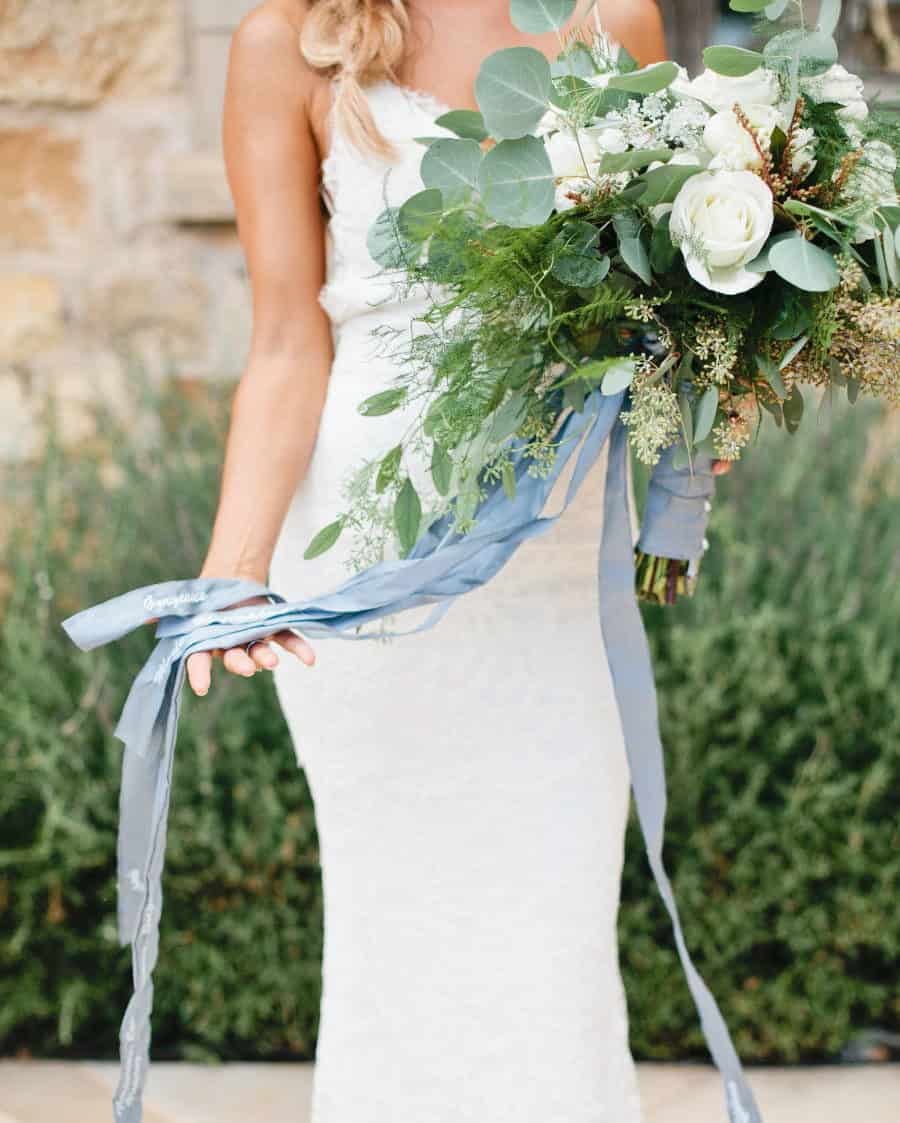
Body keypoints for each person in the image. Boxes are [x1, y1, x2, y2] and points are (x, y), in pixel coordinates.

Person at [187, 3, 694, 1120]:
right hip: (368, 557)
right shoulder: (286, 39)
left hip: (553, 564)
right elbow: (283, 338)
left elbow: (666, 300)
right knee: (393, 931)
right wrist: (235, 567)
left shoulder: (618, 19)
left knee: (553, 938)